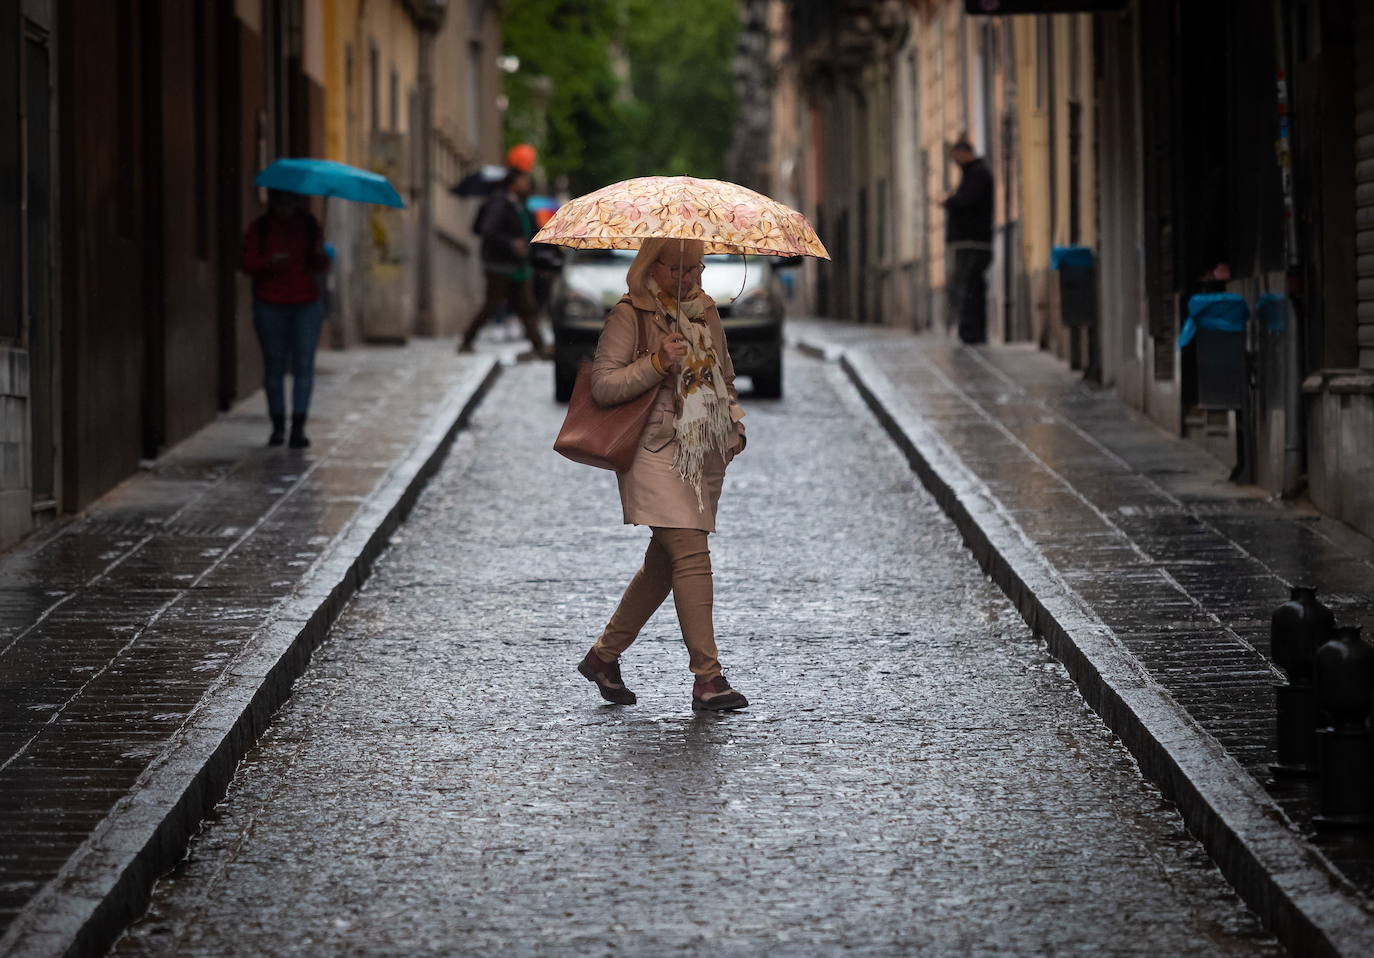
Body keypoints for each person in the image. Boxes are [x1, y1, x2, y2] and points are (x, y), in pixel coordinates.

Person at [576, 237, 750, 712]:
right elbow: (604, 385)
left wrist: (734, 425)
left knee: (664, 561)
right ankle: (708, 679)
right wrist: (656, 363)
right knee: (691, 552)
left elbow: (725, 377)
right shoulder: (629, 314)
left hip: (703, 451)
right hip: (653, 450)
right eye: (680, 269)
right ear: (653, 269)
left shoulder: (704, 312)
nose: (692, 278)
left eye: (698, 268)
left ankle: (603, 657)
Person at [239, 189, 330, 448]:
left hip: (306, 305)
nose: (285, 206)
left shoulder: (310, 226)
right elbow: (246, 263)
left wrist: (319, 252)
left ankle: (298, 428)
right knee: (273, 365)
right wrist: (270, 262)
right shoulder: (261, 228)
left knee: (304, 365)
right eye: (281, 201)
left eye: (290, 201)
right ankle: (277, 426)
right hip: (270, 304)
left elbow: (320, 266)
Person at [459, 168, 549, 357]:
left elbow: (529, 228)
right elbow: (488, 230)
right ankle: (467, 339)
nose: (527, 184)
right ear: (513, 182)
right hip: (500, 266)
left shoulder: (518, 204)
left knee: (527, 307)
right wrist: (511, 244)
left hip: (517, 265)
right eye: (523, 180)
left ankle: (539, 345)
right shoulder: (500, 203)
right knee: (492, 305)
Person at [943, 138, 994, 345]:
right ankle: (972, 332)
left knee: (970, 288)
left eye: (956, 158)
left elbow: (966, 202)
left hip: (973, 242)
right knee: (972, 287)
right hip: (972, 242)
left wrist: (948, 201)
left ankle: (972, 333)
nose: (956, 163)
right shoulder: (973, 174)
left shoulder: (978, 174)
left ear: (964, 153)